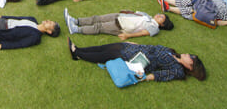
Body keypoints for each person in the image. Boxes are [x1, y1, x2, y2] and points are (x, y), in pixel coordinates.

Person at [67, 40, 206, 82]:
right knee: (104, 47)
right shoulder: (173, 53)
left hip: (134, 59)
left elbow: (161, 75)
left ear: (190, 66)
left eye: (191, 57)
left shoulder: (178, 70)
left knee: (107, 54)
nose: (188, 54)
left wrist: (144, 78)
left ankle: (77, 53)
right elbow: (152, 46)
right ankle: (79, 50)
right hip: (134, 49)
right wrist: (135, 43)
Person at [64, 8, 173, 38]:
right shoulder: (147, 15)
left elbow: (143, 33)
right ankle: (76, 21)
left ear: (162, 24)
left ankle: (76, 29)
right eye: (160, 14)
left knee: (99, 27)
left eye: (161, 17)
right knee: (97, 18)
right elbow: (135, 14)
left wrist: (128, 36)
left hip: (121, 25)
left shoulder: (155, 27)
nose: (158, 15)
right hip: (119, 16)